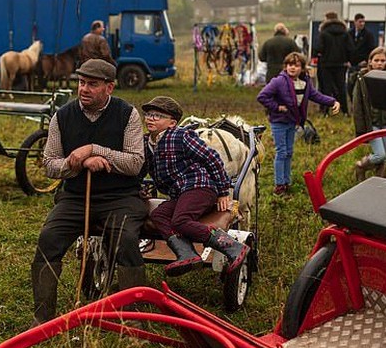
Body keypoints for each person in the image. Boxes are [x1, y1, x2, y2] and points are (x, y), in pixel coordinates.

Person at [31, 58, 147, 324]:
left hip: (120, 198)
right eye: (81, 82)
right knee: (48, 238)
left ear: (110, 87)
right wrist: (79, 161)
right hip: (75, 197)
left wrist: (95, 149)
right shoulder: (62, 116)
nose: (84, 89)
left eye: (92, 84)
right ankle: (42, 319)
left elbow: (134, 163)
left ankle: (134, 316)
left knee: (127, 241)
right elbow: (49, 164)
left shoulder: (127, 114)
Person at [139, 96, 249, 277]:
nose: (151, 118)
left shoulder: (181, 136)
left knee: (180, 221)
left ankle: (234, 247)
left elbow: (211, 158)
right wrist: (137, 186)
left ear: (172, 123)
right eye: (149, 114)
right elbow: (141, 168)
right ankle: (187, 253)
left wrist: (222, 192)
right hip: (180, 194)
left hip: (199, 187)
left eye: (158, 116)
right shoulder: (147, 143)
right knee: (159, 214)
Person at [257, 52, 340, 195]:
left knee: (289, 152)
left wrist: (332, 101)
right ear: (285, 66)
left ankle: (287, 181)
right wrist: (277, 107)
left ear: (302, 67)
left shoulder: (305, 82)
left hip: (292, 121)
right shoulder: (279, 81)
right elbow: (262, 96)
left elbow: (316, 96)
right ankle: (279, 185)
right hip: (279, 122)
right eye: (290, 65)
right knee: (281, 152)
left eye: (296, 65)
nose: (293, 68)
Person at [350, 47, 386, 180]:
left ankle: (379, 182)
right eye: (376, 60)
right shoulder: (362, 78)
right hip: (372, 123)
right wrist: (360, 127)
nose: (379, 63)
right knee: (380, 155)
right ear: (370, 62)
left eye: (383, 60)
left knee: (384, 157)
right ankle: (361, 165)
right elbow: (357, 105)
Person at [313, 11, 353, 114]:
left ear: (327, 19)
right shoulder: (345, 33)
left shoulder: (323, 33)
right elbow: (351, 48)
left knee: (326, 88)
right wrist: (347, 59)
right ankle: (345, 111)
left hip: (326, 64)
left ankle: (325, 111)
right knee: (341, 88)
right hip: (341, 64)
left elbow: (318, 48)